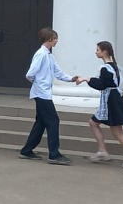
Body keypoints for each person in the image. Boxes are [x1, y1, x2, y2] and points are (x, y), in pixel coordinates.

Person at [77, 41, 123, 169]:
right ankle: (102, 151)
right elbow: (106, 83)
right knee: (94, 123)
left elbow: (102, 84)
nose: (96, 52)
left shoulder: (106, 68)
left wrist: (87, 79)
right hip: (113, 100)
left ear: (104, 52)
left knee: (117, 132)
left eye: (98, 50)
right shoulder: (114, 66)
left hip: (111, 102)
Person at [19, 28, 79, 165]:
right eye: (55, 38)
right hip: (42, 94)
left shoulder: (49, 56)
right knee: (53, 121)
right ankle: (54, 154)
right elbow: (30, 74)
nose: (57, 40)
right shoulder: (41, 54)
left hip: (43, 93)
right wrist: (39, 84)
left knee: (41, 123)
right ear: (50, 39)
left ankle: (27, 150)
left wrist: (71, 79)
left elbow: (58, 73)